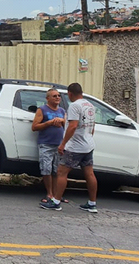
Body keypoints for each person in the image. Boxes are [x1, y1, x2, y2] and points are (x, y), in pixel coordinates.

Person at [40, 82, 98, 212]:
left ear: (70, 93)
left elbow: (72, 126)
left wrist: (63, 143)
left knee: (61, 172)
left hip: (75, 147)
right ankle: (92, 203)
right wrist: (88, 137)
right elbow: (92, 126)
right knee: (89, 173)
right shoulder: (90, 105)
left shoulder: (74, 106)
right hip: (88, 144)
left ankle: (55, 202)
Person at [31, 88, 66, 206]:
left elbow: (67, 125)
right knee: (46, 169)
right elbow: (34, 126)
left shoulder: (62, 110)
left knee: (57, 170)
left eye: (59, 96)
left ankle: (57, 195)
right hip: (45, 144)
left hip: (59, 145)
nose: (57, 97)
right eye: (54, 96)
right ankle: (49, 193)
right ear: (48, 98)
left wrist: (62, 121)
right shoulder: (42, 110)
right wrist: (49, 123)